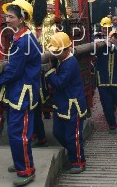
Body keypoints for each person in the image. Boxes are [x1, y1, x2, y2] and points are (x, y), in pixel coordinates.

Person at [0, 0, 41, 187]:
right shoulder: (21, 37)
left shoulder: (24, 42)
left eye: (11, 17)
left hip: (22, 92)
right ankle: (20, 162)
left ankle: (26, 169)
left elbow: (14, 70)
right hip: (19, 90)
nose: (7, 20)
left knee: (18, 132)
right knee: (16, 130)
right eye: (7, 16)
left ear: (22, 19)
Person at [45, 32, 87, 174]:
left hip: (72, 106)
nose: (55, 54)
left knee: (72, 136)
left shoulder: (70, 63)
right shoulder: (62, 60)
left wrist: (49, 72)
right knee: (57, 132)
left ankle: (78, 162)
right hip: (62, 104)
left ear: (66, 49)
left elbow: (60, 83)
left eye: (57, 52)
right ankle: (73, 153)